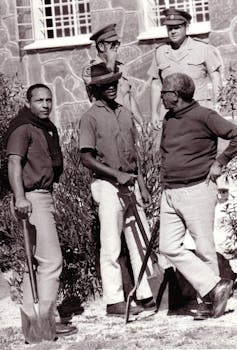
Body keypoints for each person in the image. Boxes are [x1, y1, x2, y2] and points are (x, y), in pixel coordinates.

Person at [158, 72, 237, 321]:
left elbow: (235, 135)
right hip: (170, 191)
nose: (161, 96)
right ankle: (216, 286)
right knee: (168, 247)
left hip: (197, 189)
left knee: (204, 247)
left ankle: (209, 303)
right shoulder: (169, 118)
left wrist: (220, 161)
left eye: (165, 92)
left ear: (177, 95)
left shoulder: (204, 115)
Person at [79, 63, 156, 316]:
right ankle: (114, 301)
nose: (111, 87)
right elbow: (86, 158)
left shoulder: (124, 113)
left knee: (139, 243)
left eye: (114, 82)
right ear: (95, 88)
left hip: (131, 185)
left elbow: (134, 156)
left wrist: (142, 185)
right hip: (107, 186)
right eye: (104, 84)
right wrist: (116, 175)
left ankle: (145, 294)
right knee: (111, 245)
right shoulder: (90, 117)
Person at [5, 83, 77, 339]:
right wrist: (20, 197)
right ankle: (49, 321)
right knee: (51, 261)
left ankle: (34, 327)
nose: (45, 104)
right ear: (28, 102)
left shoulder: (42, 128)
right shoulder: (23, 127)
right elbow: (14, 162)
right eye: (39, 100)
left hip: (41, 196)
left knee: (32, 263)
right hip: (31, 198)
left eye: (49, 100)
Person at [148, 8, 222, 127]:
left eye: (177, 27)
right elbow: (156, 83)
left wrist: (218, 105)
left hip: (199, 111)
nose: (173, 31)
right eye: (170, 28)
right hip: (171, 113)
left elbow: (215, 77)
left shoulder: (202, 48)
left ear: (186, 28)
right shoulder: (160, 52)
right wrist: (154, 113)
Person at [82, 23, 143, 125]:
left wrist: (142, 123)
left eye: (117, 44)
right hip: (107, 124)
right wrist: (111, 60)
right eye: (112, 45)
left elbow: (128, 97)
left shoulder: (121, 67)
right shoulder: (91, 69)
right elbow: (106, 80)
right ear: (101, 46)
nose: (116, 48)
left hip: (126, 122)